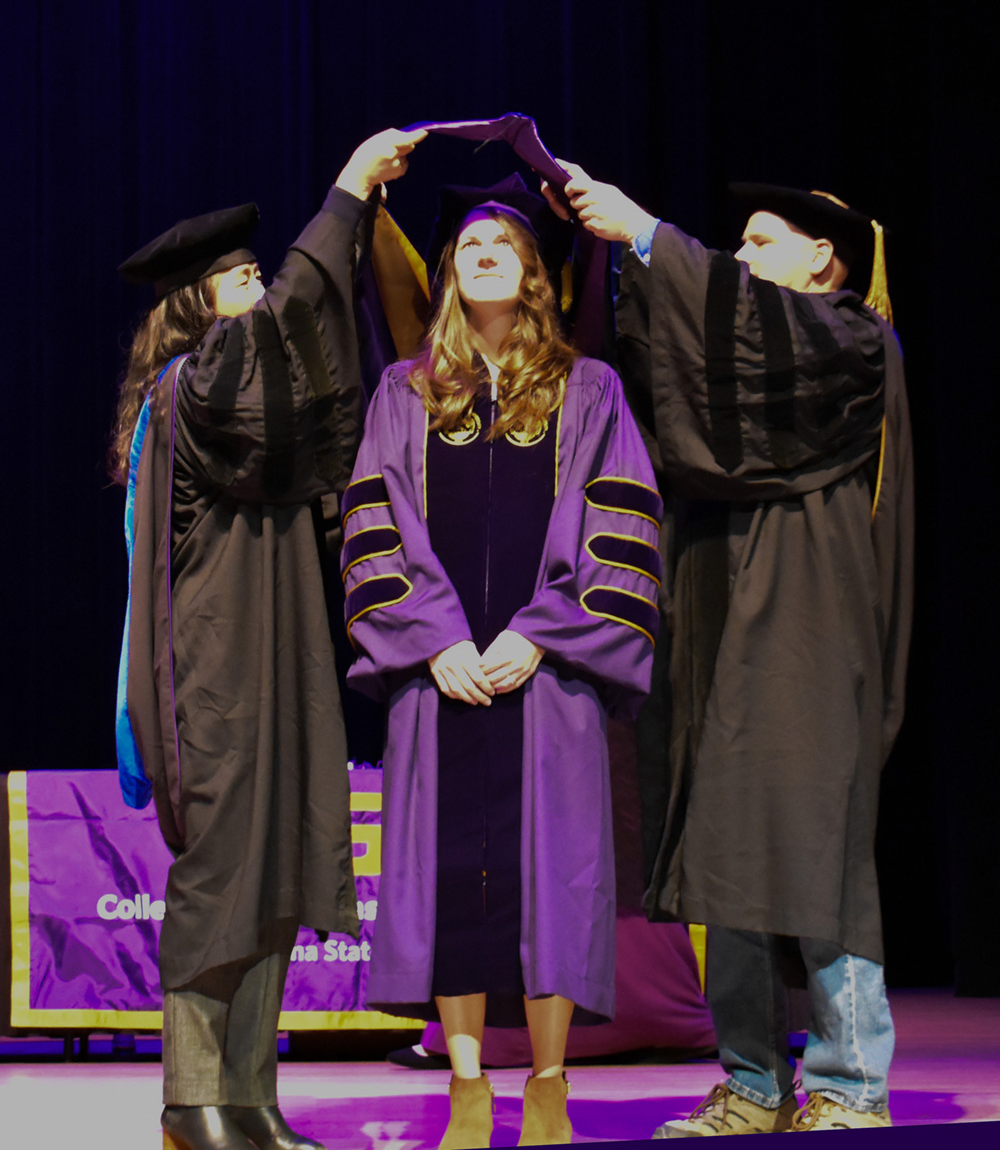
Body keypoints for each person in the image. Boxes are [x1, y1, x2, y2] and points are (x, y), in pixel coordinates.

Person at [543, 170, 913, 1135]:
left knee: (811, 840)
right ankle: (752, 1082)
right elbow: (670, 366)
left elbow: (737, 326)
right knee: (726, 843)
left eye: (757, 242)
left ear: (821, 257)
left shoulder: (850, 338)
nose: (738, 259)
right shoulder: (745, 339)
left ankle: (849, 1082)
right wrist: (608, 247)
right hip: (714, 605)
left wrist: (651, 234)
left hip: (807, 621)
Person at [111, 127, 423, 1150]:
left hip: (276, 661)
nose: (263, 291)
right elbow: (292, 323)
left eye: (256, 274)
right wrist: (345, 194)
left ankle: (249, 1095)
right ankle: (190, 1096)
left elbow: (311, 365)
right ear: (196, 302)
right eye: (241, 277)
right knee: (223, 871)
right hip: (215, 669)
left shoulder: (243, 404)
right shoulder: (195, 387)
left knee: (280, 858)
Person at [340, 177, 662, 1148]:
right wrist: (435, 637)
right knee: (447, 874)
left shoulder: (588, 388)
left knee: (553, 874)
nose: (483, 250)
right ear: (447, 272)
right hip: (437, 675)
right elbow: (372, 524)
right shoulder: (404, 392)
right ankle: (469, 1081)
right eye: (468, 242)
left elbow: (619, 526)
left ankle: (550, 1080)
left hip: (546, 670)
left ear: (534, 272)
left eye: (504, 242)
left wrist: (541, 630)